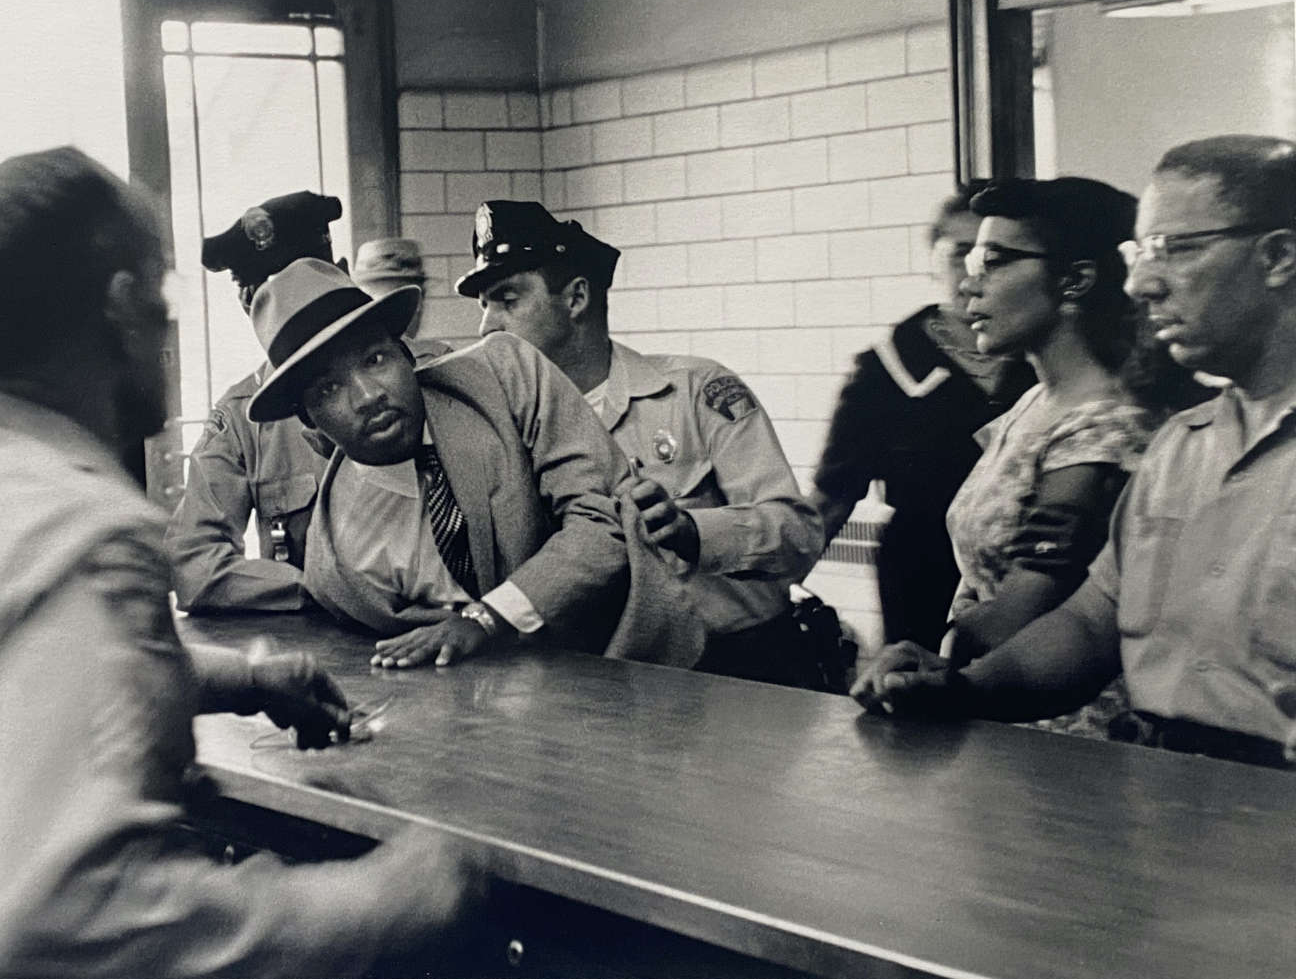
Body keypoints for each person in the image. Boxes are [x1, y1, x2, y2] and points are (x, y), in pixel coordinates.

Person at [0, 149, 477, 979]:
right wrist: (387, 895)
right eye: (162, 296)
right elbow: (66, 913)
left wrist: (242, 678)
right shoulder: (78, 535)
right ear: (121, 308)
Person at [853, 135, 1296, 771]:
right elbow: (1091, 623)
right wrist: (958, 686)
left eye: (1177, 249)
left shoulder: (1119, 429)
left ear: (1278, 256)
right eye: (1140, 253)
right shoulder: (1181, 447)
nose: (1142, 283)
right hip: (1165, 788)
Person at [243, 257, 705, 671]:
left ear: (408, 355)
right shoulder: (337, 566)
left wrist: (485, 619)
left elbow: (603, 521)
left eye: (376, 359)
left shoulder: (504, 375)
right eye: (328, 389)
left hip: (633, 667)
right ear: (309, 420)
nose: (367, 396)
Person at [459, 200, 822, 685]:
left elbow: (798, 533)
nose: (487, 327)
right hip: (609, 680)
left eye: (507, 300)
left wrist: (693, 532)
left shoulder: (693, 392)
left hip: (741, 668)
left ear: (576, 298)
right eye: (483, 306)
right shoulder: (504, 432)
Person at [167, 194, 442, 615]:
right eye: (265, 294)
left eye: (309, 278)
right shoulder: (242, 415)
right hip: (325, 640)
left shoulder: (435, 372)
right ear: (247, 305)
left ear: (342, 275)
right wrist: (335, 590)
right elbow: (193, 565)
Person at [811, 185, 1036, 652]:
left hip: (1033, 575)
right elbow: (832, 498)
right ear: (933, 259)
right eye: (959, 254)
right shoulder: (886, 367)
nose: (974, 272)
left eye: (992, 258)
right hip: (922, 574)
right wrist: (766, 595)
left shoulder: (1044, 357)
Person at [351, 236, 434, 339]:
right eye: (386, 302)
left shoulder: (436, 349)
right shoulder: (347, 348)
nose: (417, 310)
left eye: (409, 302)